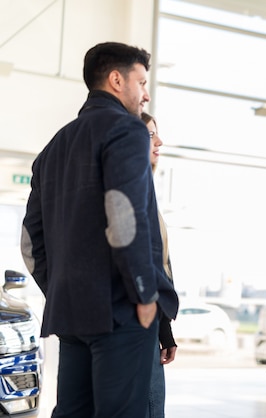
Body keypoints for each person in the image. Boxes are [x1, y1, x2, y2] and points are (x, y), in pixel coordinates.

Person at [20, 42, 178, 418]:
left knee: (72, 411)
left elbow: (30, 240)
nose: (146, 93)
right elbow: (123, 213)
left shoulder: (53, 148)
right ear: (116, 79)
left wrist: (61, 285)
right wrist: (143, 295)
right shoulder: (126, 131)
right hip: (119, 309)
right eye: (141, 82)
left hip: (71, 311)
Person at [141, 111, 177, 418]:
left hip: (151, 323)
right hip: (137, 321)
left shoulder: (147, 192)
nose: (160, 142)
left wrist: (164, 329)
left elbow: (159, 265)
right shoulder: (132, 192)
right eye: (152, 135)